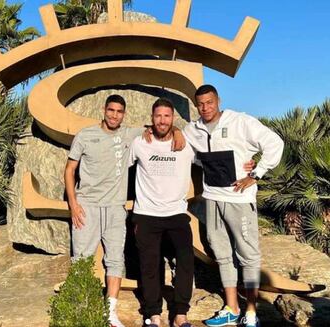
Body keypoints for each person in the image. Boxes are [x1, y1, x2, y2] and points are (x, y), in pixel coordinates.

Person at [64, 94, 185, 327]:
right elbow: (70, 169)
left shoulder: (129, 133)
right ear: (104, 110)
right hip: (87, 206)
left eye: (119, 112)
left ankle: (110, 312)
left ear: (124, 114)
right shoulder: (86, 135)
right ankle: (80, 308)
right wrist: (73, 204)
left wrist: (178, 131)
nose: (114, 115)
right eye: (111, 110)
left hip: (116, 209)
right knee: (81, 258)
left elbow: (163, 124)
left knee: (115, 260)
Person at [183, 85, 284, 327]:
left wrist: (256, 173)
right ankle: (231, 307)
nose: (205, 108)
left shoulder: (241, 122)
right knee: (222, 255)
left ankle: (251, 313)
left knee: (248, 257)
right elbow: (190, 152)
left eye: (210, 102)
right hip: (212, 199)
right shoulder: (192, 129)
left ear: (218, 100)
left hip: (240, 200)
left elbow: (275, 143)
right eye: (201, 104)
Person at [129, 98, 195, 327]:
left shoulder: (186, 143)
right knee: (150, 265)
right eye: (158, 116)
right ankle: (153, 314)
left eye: (167, 116)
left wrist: (249, 167)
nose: (162, 120)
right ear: (151, 118)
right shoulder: (140, 143)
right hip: (146, 214)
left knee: (186, 261)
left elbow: (215, 154)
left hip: (176, 213)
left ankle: (180, 315)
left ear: (173, 118)